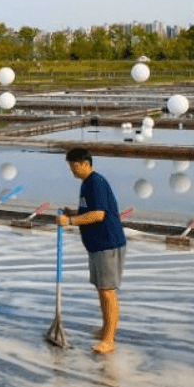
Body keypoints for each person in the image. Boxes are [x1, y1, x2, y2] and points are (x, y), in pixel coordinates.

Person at [56, 147, 127, 355]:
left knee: (108, 291)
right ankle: (106, 329)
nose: (73, 170)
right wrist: (74, 212)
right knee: (102, 289)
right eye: (71, 166)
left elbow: (98, 214)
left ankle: (109, 339)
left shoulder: (95, 182)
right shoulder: (87, 184)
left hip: (108, 244)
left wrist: (70, 221)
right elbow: (89, 210)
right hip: (97, 245)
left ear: (86, 163)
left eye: (75, 166)